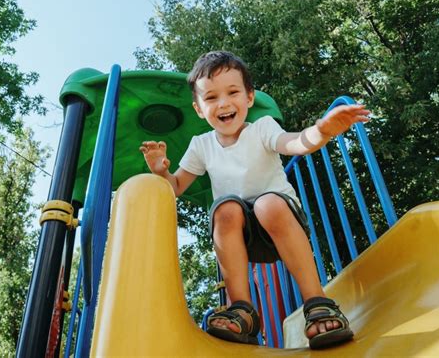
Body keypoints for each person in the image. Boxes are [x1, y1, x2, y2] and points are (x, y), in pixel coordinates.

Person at [139, 51, 369, 349]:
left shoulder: (263, 128)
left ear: (249, 97)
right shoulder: (201, 145)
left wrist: (321, 131)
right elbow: (177, 186)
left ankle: (317, 301)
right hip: (241, 238)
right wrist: (161, 172)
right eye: (211, 98)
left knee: (266, 204)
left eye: (232, 92)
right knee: (225, 209)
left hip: (281, 222)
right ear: (199, 109)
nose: (223, 103)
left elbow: (295, 143)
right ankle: (243, 311)